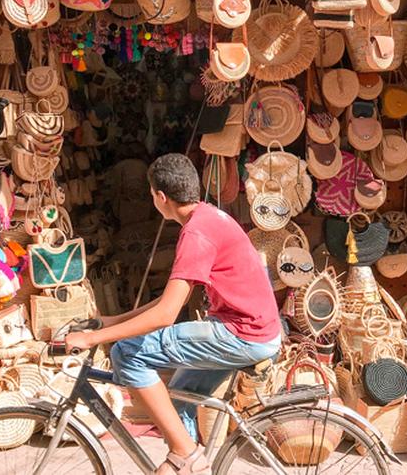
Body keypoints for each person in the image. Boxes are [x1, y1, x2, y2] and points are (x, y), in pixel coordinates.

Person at [65, 153, 282, 475]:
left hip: (241, 334)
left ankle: (185, 454)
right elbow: (173, 302)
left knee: (128, 352)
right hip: (251, 329)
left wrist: (94, 337)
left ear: (160, 197)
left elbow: (166, 315)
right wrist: (115, 321)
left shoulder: (196, 234)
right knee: (179, 401)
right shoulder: (208, 217)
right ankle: (187, 462)